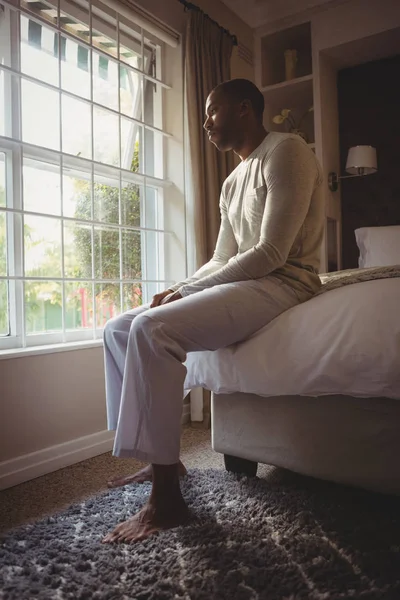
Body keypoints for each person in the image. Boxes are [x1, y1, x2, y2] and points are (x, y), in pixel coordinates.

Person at [102, 78, 324, 544]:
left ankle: (166, 502)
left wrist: (187, 293)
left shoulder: (287, 151)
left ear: (244, 109)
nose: (205, 122)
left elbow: (271, 253)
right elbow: (223, 258)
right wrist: (183, 287)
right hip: (249, 280)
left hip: (285, 282)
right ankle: (163, 458)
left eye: (212, 111)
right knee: (119, 328)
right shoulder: (229, 181)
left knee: (151, 330)